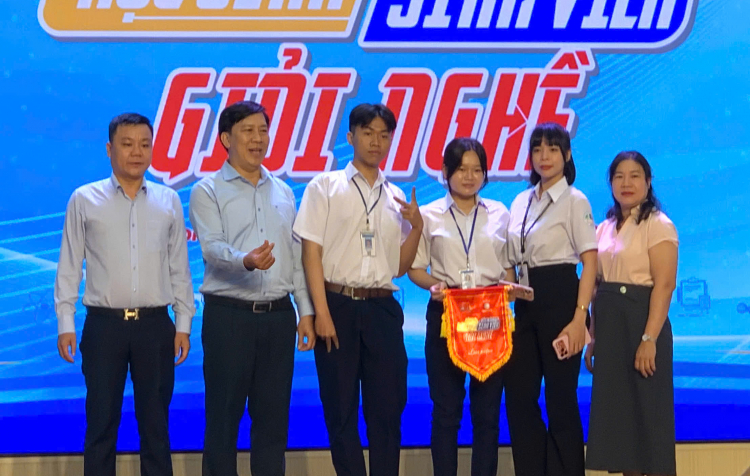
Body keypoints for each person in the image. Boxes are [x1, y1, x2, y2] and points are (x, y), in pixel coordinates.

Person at [54, 113, 195, 476]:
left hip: (155, 327)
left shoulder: (168, 200)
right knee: (101, 426)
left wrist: (183, 324)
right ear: (109, 149)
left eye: (145, 144)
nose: (137, 152)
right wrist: (66, 322)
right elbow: (69, 265)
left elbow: (179, 268)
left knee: (156, 427)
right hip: (104, 327)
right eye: (127, 144)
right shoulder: (84, 199)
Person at [293, 103, 423, 476]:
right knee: (340, 410)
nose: (376, 142)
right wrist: (320, 313)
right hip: (337, 305)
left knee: (388, 410)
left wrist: (416, 227)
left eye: (384, 135)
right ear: (351, 137)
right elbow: (311, 253)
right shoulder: (324, 186)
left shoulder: (396, 196)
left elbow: (398, 267)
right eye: (368, 133)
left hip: (382, 309)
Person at [188, 100, 315, 476]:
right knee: (223, 421)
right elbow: (211, 248)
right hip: (229, 317)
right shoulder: (207, 190)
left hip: (278, 317)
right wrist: (245, 260)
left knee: (273, 423)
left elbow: (294, 258)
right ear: (226, 139)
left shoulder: (284, 192)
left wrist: (305, 312)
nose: (258, 139)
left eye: (263, 130)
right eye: (248, 131)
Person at [407, 137, 514, 476]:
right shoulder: (428, 215)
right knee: (446, 411)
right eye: (461, 169)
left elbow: (508, 267)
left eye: (477, 170)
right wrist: (433, 285)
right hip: (446, 313)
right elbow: (415, 268)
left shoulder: (499, 213)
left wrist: (511, 289)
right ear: (445, 172)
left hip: (490, 316)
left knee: (487, 414)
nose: (469, 177)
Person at [503, 122, 597, 476]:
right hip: (524, 302)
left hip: (562, 299)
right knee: (518, 396)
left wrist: (579, 318)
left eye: (553, 149)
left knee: (560, 400)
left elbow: (590, 262)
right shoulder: (520, 200)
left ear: (567, 155)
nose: (544, 156)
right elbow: (513, 257)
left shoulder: (575, 200)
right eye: (537, 149)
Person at [585, 151, 678, 476]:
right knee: (621, 428)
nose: (627, 183)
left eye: (635, 176)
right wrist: (593, 337)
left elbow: (664, 285)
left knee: (648, 421)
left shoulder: (658, 225)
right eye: (619, 176)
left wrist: (649, 338)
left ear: (648, 182)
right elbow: (596, 288)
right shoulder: (604, 228)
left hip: (642, 324)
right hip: (610, 329)